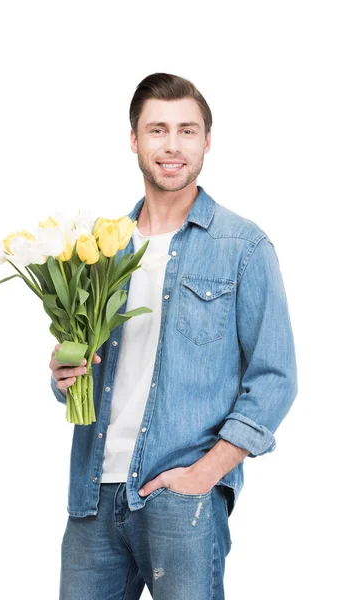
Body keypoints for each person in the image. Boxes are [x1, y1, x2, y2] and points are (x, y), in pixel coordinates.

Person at [49, 72, 298, 600]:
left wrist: (206, 475)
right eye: (157, 129)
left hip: (181, 499)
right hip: (92, 495)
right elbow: (83, 372)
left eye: (187, 130)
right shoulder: (100, 248)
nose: (172, 145)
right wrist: (65, 372)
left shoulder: (242, 246)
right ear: (134, 140)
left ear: (207, 141)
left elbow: (275, 378)